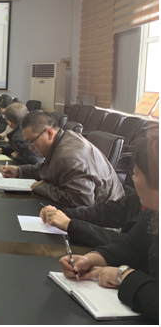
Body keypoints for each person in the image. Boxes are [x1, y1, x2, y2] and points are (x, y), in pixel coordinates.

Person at [59, 127, 158, 323]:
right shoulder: (154, 213)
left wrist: (124, 276)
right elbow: (129, 246)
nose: (133, 179)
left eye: (136, 173)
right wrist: (92, 259)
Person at [0, 111, 124, 207]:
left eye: (31, 141)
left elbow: (81, 201)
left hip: (101, 222)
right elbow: (49, 168)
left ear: (49, 133)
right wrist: (19, 171)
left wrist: (43, 188)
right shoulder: (65, 137)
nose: (30, 147)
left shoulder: (69, 157)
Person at [39, 165, 143, 246]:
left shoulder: (151, 216)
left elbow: (128, 244)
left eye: (136, 174)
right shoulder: (139, 198)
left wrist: (70, 225)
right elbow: (106, 212)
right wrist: (65, 213)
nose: (132, 178)